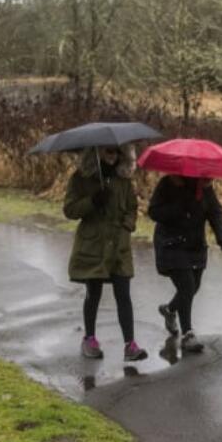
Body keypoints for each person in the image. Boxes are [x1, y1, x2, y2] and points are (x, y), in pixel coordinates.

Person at [62, 144, 147, 362]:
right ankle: (89, 338)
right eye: (108, 151)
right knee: (94, 293)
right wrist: (93, 201)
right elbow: (69, 210)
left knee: (123, 294)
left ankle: (130, 344)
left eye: (117, 152)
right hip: (93, 245)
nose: (113, 156)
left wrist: (127, 226)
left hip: (119, 246)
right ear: (97, 151)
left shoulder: (124, 181)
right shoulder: (81, 178)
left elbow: (131, 208)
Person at [148, 174, 222, 354]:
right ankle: (188, 335)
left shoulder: (205, 188)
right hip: (172, 244)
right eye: (206, 176)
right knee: (187, 287)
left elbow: (215, 211)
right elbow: (153, 211)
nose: (211, 179)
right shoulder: (169, 182)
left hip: (195, 245)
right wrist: (180, 204)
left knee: (194, 287)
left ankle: (170, 309)